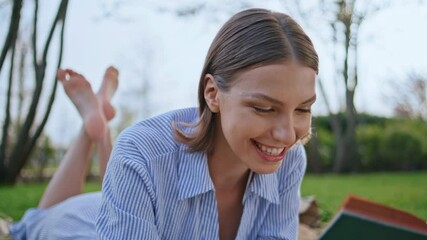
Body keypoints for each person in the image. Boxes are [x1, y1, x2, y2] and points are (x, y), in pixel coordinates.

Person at [4, 7, 318, 240]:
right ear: (212, 94)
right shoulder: (142, 152)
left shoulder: (288, 158)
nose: (287, 134)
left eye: (303, 109)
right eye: (264, 108)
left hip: (127, 204)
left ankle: (93, 126)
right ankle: (91, 130)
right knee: (31, 226)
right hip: (77, 226)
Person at [3, 66, 118, 239]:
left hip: (54, 220)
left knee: (37, 220)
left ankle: (97, 126)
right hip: (71, 219)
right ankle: (97, 127)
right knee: (38, 220)